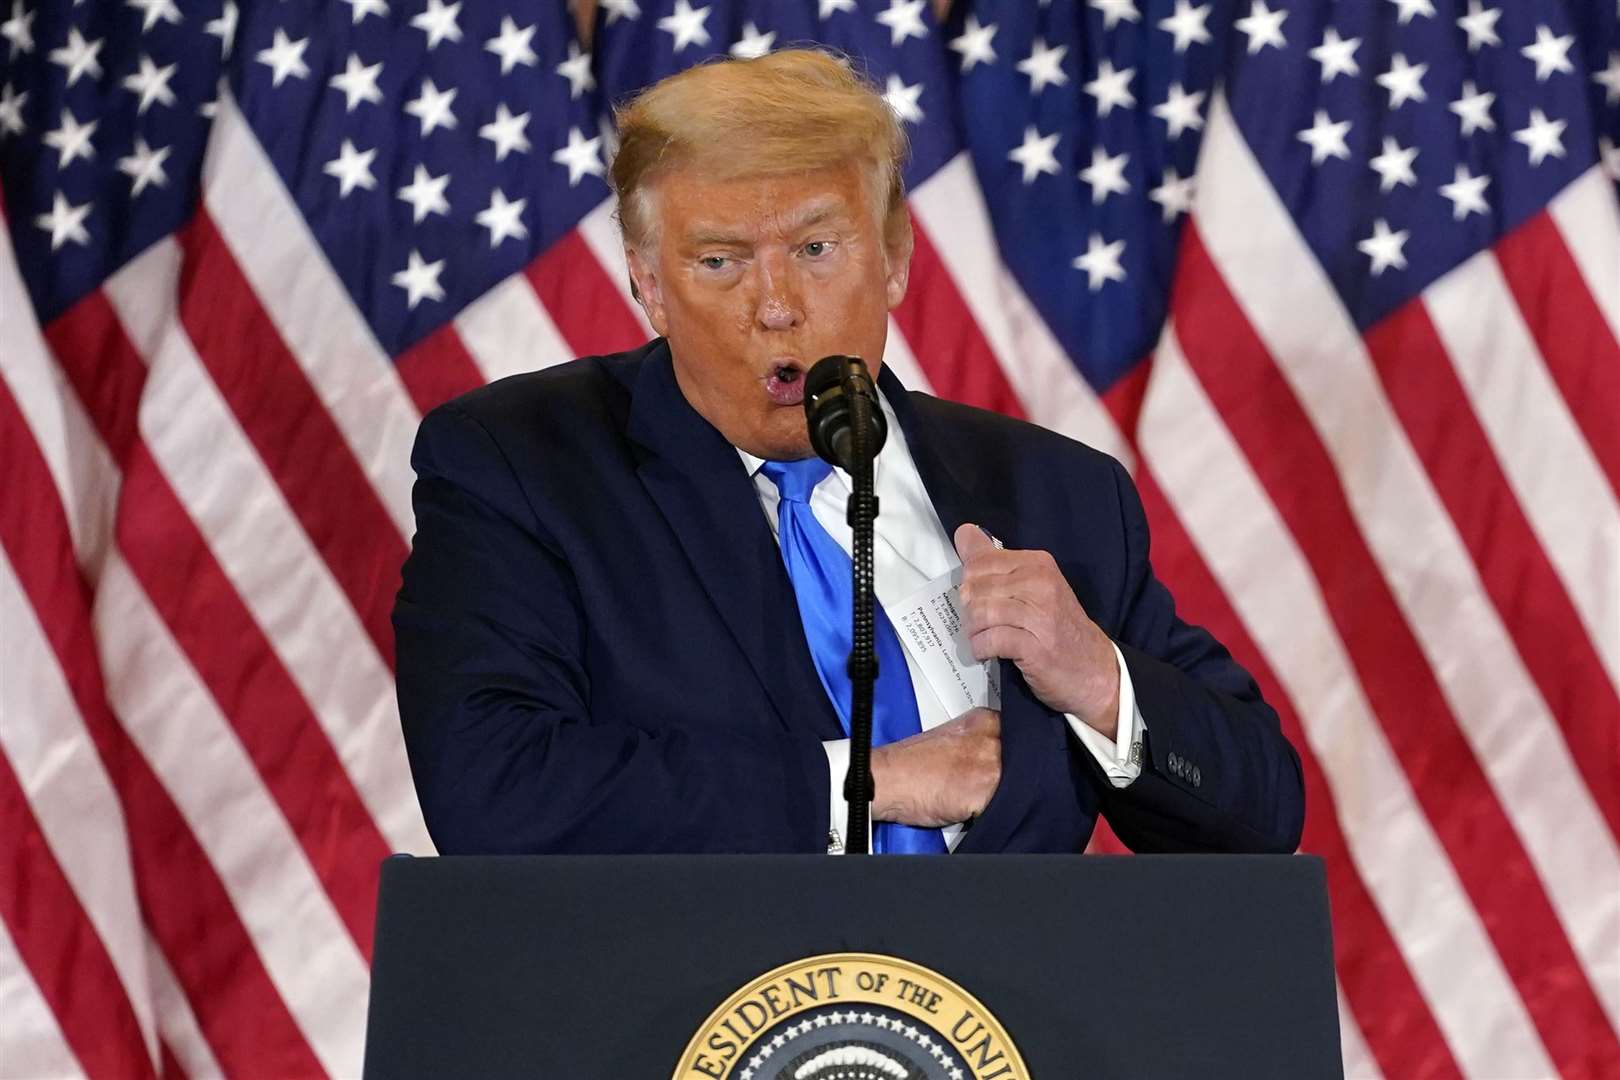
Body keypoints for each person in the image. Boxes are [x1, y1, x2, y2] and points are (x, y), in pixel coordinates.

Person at [392, 49, 1304, 857]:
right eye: (720, 261)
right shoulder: (523, 466)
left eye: (818, 247)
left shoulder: (1056, 494)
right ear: (645, 282)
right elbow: (494, 789)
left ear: (896, 256)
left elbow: (1262, 816)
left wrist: (1097, 678)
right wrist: (869, 781)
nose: (778, 305)